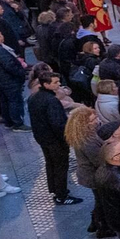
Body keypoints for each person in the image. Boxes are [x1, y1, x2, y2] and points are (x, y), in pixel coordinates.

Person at [29, 70, 82, 205]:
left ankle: (55, 189)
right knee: (60, 166)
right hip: (54, 140)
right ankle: (62, 195)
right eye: (55, 82)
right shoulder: (51, 101)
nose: (59, 84)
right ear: (46, 84)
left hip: (42, 138)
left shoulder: (34, 98)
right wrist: (66, 138)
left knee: (51, 164)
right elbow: (58, 124)